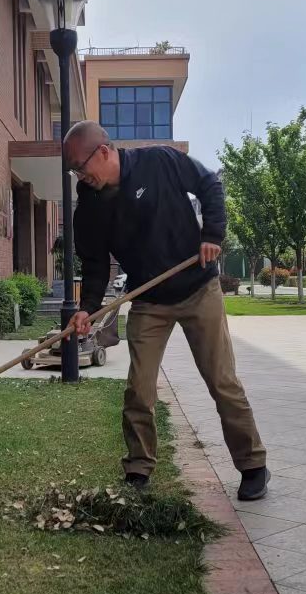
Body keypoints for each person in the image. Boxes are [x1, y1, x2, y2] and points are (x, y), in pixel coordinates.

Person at [64, 121, 269, 501]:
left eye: (81, 166)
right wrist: (87, 308)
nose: (80, 175)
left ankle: (253, 464)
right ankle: (138, 468)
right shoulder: (89, 208)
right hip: (149, 300)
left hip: (198, 289)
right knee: (139, 389)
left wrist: (212, 234)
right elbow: (94, 265)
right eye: (73, 170)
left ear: (104, 151)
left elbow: (209, 184)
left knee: (221, 380)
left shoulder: (159, 161)